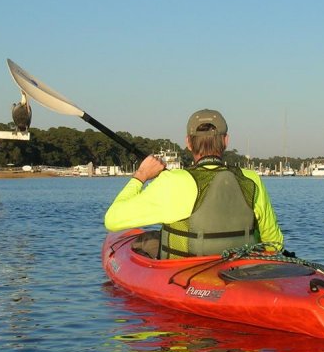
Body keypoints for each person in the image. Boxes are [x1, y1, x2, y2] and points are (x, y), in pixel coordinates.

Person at [104, 109, 284, 259]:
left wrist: (141, 175)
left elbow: (112, 220)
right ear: (226, 141)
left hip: (187, 272)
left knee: (145, 242)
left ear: (188, 143)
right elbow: (274, 243)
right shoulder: (252, 179)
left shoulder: (173, 181)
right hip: (241, 270)